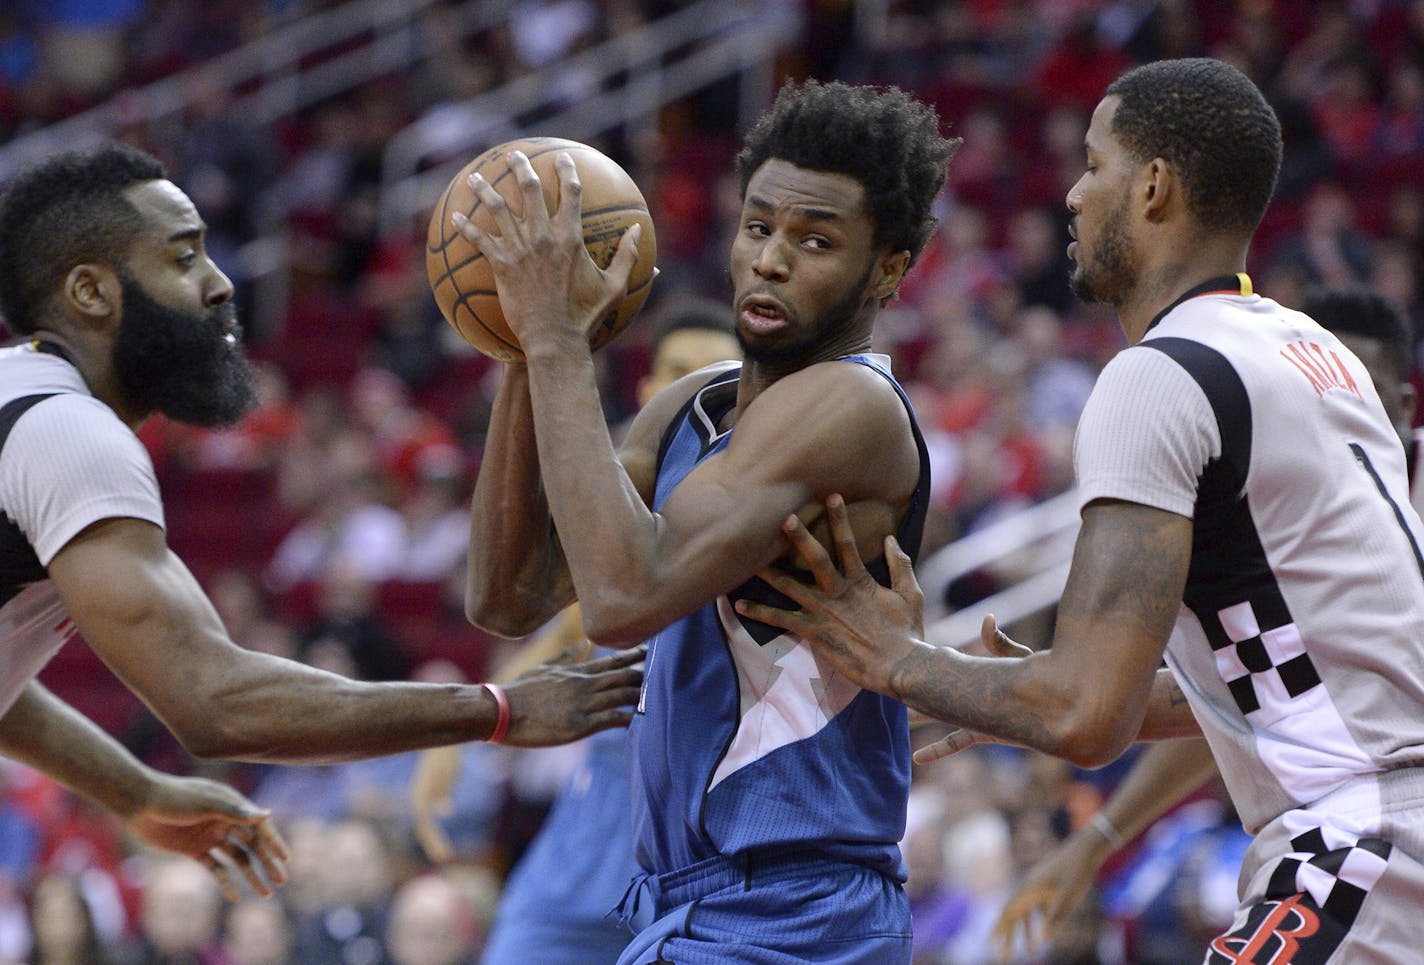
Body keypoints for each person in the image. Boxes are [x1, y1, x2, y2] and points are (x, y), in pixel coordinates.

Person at [739, 59, 1424, 962]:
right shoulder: (1309, 349)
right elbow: (1298, 676)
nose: (1071, 192)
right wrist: (998, 691)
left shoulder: (1158, 375)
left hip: (1365, 842)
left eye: (1094, 164)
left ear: (1152, 187)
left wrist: (895, 657)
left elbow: (1084, 718)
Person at [0, 143, 643, 900]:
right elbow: (214, 700)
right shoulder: (66, 432)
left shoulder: (25, 399)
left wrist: (137, 790)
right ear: (90, 292)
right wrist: (495, 709)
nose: (219, 283)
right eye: (183, 259)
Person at [451, 80, 956, 963]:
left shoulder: (854, 407)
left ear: (890, 267)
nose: (770, 259)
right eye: (758, 227)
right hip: (689, 901)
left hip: (799, 905)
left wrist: (560, 340)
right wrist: (519, 343)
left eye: (816, 240)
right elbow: (509, 593)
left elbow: (621, 597)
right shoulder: (693, 407)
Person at [992, 283, 1423, 956]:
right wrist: (1094, 831)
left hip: (1379, 823)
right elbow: (1248, 703)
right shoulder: (1306, 515)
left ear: (1399, 404)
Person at [411, 296, 742, 965]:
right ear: (650, 387)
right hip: (596, 828)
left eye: (718, 377)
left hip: (712, 839)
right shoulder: (616, 494)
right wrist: (466, 728)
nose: (697, 391)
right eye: (680, 371)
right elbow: (565, 632)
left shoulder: (765, 501)